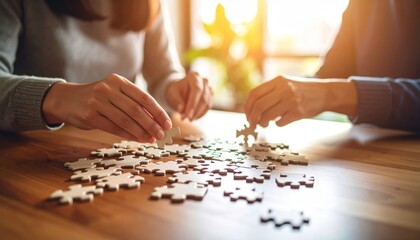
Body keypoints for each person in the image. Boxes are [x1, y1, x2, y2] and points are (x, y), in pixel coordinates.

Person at [0, 0, 213, 143]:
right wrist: (56, 98)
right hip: (31, 155)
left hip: (122, 153)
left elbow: (163, 75)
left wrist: (177, 89)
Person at [244, 0, 420, 133]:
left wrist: (331, 93)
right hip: (367, 151)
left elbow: (328, 90)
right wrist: (284, 94)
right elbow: (330, 75)